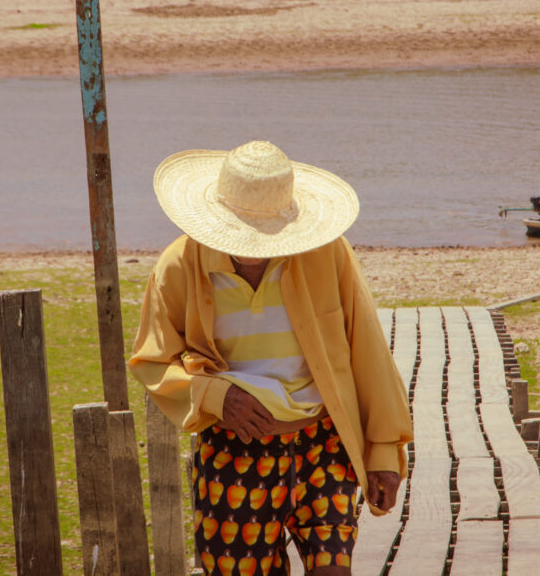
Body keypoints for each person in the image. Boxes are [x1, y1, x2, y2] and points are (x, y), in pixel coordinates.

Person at [129, 140, 413, 575]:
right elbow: (151, 360)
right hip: (232, 454)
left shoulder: (328, 253)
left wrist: (383, 454)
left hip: (324, 445)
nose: (255, 247)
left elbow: (368, 351)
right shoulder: (178, 266)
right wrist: (211, 395)